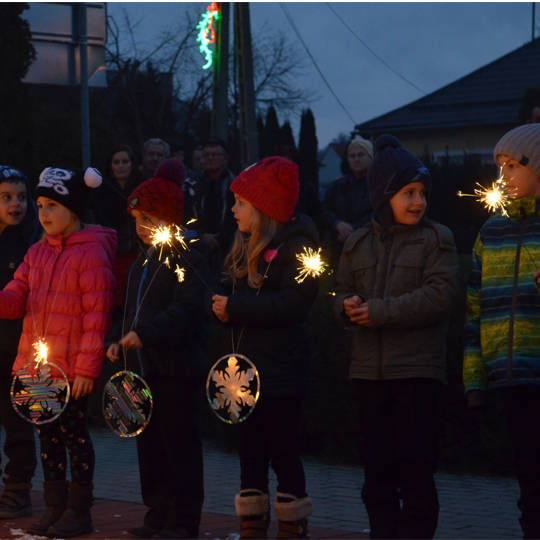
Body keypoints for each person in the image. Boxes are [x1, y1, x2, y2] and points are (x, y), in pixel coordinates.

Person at [334, 135, 459, 539]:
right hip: (369, 374)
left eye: (422, 192)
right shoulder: (357, 243)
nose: (418, 202)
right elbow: (337, 291)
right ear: (382, 195)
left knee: (416, 469)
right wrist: (346, 306)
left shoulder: (436, 239)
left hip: (416, 373)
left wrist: (380, 312)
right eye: (407, 193)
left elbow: (439, 295)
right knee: (377, 471)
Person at [0, 166, 116, 538]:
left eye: (52, 205)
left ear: (74, 210)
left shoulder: (92, 254)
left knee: (74, 437)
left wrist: (87, 369)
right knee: (47, 439)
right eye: (41, 205)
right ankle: (54, 507)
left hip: (71, 371)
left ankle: (79, 511)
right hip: (39, 370)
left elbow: (96, 317)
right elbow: (17, 297)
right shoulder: (37, 253)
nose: (44, 213)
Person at [210, 156, 318, 538]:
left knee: (284, 450)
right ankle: (252, 522)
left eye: (240, 202)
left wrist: (236, 308)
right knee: (249, 450)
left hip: (281, 371)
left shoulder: (299, 248)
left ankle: (292, 523)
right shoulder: (239, 247)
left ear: (264, 208)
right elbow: (225, 292)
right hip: (243, 373)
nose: (233, 209)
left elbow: (294, 303)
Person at [106, 164, 207, 539]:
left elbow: (186, 309)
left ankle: (183, 520)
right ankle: (157, 514)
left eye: (149, 218)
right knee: (150, 448)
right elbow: (131, 311)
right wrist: (119, 342)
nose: (142, 226)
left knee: (178, 444)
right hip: (143, 371)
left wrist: (146, 335)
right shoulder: (142, 261)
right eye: (137, 218)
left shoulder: (187, 257)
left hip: (175, 369)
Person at [463, 123, 540, 539]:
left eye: (513, 166)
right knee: (527, 479)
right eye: (500, 167)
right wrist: (475, 378)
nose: (503, 176)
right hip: (509, 377)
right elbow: (474, 309)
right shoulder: (490, 234)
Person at [0, 166, 39, 520]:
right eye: (7, 197)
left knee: (16, 418)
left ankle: (17, 488)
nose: (16, 205)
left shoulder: (30, 240)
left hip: (17, 347)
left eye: (22, 198)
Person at [91, 144, 143, 308]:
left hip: (137, 251)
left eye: (125, 162)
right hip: (110, 253)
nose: (121, 166)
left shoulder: (141, 187)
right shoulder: (101, 190)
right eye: (116, 162)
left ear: (132, 164)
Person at [321, 136, 373, 262]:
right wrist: (337, 224)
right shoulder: (337, 186)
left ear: (371, 157)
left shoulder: (378, 185)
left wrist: (353, 230)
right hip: (339, 250)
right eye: (352, 156)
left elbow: (379, 213)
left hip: (369, 248)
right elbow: (323, 210)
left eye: (361, 155)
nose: (356, 159)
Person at [192, 138, 236, 278]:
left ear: (225, 158)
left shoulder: (236, 185)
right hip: (197, 249)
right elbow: (187, 216)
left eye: (215, 155)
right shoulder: (192, 185)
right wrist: (201, 236)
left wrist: (220, 239)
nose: (210, 158)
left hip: (229, 249)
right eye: (206, 155)